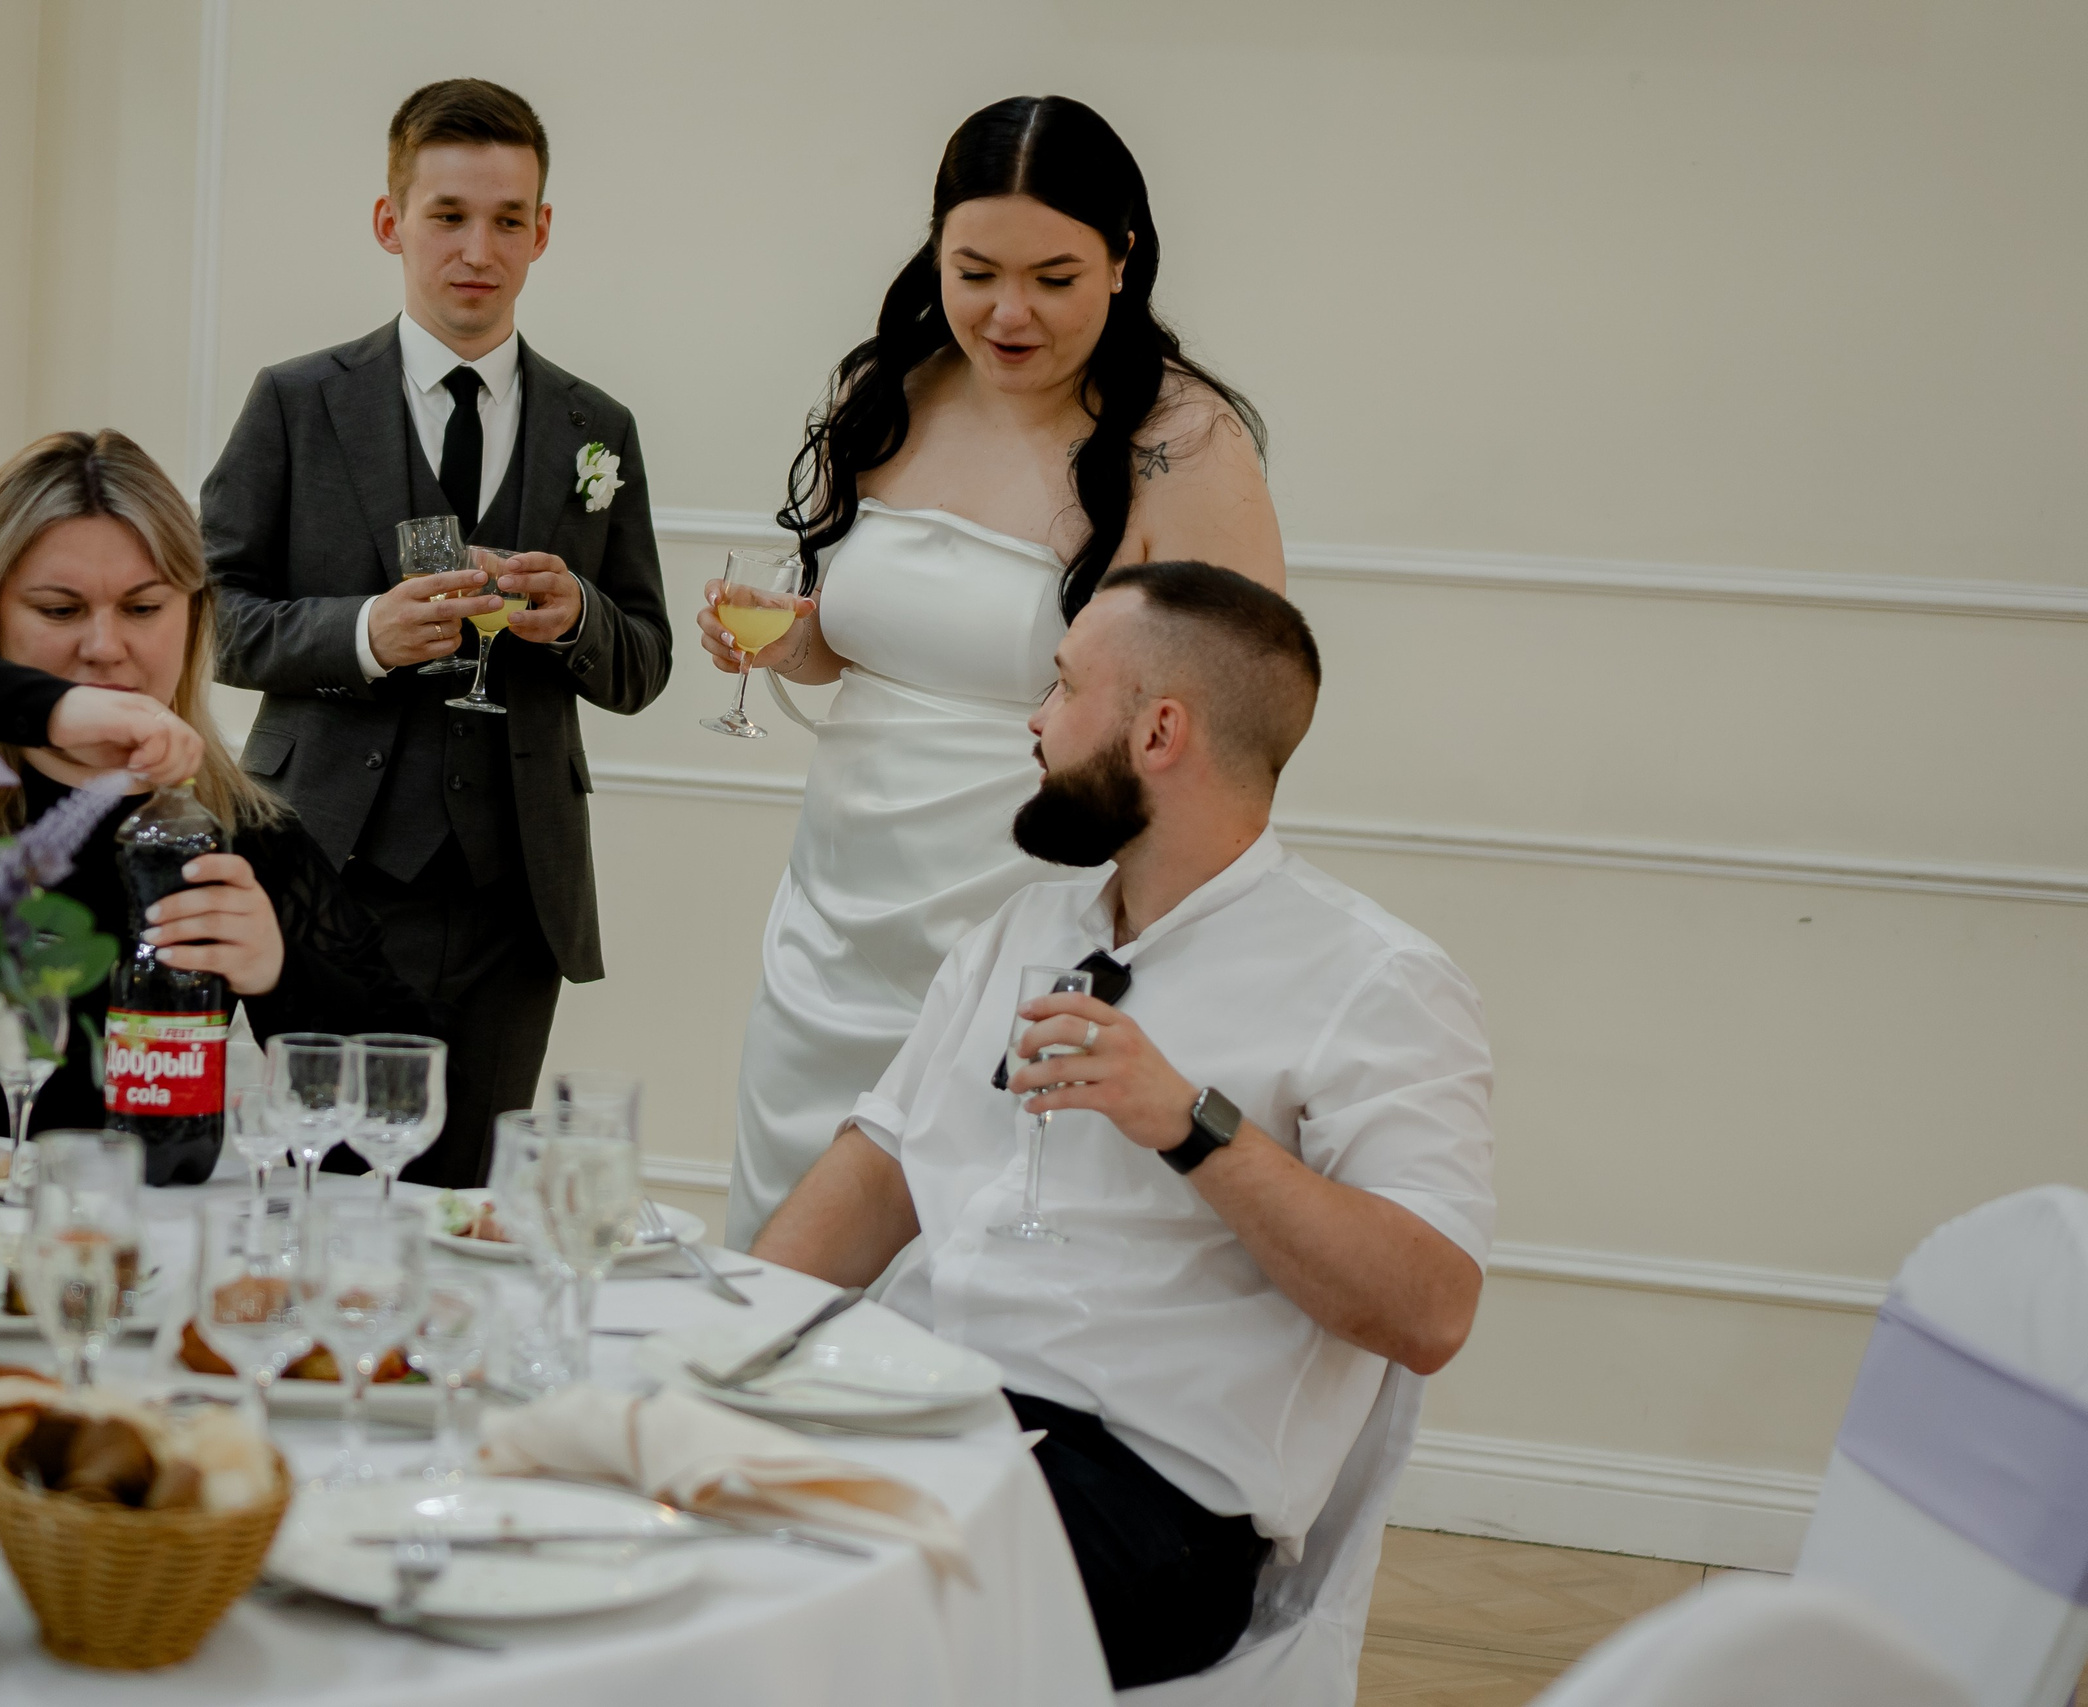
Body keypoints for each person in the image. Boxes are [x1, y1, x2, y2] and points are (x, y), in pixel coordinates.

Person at [754, 563, 1493, 1689]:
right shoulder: (1021, 927)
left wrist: (1193, 1126)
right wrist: (712, 1343)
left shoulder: (1376, 981)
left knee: (785, 1611)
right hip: (916, 1407)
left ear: (1156, 732)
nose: (1036, 723)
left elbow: (1429, 1310)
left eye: (1060, 689)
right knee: (617, 1515)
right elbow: (882, 1166)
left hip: (1145, 1503)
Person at [713, 95, 1286, 1247]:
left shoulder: (1183, 439)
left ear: (1123, 262)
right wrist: (785, 633)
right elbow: (841, 645)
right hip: (837, 907)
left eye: (1054, 278)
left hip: (1037, 900)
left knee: (972, 1256)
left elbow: (1240, 718)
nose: (1007, 313)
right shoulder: (890, 389)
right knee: (791, 1247)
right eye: (973, 271)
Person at [0, 430, 438, 1183]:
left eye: (143, 606)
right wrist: (54, 710)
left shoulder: (241, 835)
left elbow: (402, 1130)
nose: (105, 646)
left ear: (192, 616)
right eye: (60, 610)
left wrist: (283, 970)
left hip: (134, 1251)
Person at [206, 77, 671, 1189]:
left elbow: (644, 655)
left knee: (467, 1199)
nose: (478, 248)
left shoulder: (594, 428)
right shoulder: (296, 401)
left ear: (542, 232)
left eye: (509, 220)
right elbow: (208, 616)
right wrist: (364, 632)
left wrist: (576, 619)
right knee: (329, 1186)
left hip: (516, 895)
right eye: (447, 216)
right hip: (328, 868)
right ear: (390, 223)